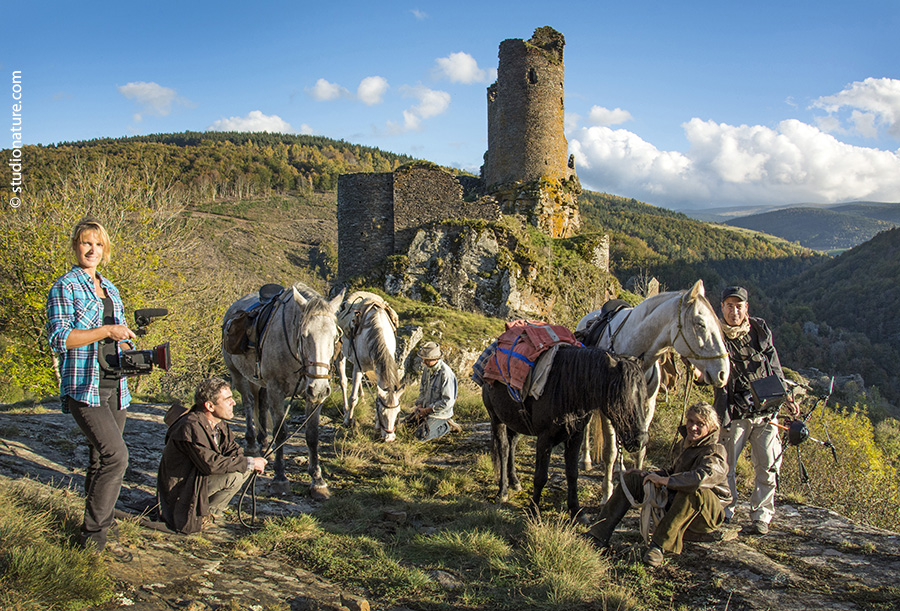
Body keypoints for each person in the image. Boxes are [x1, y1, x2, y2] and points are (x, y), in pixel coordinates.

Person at [46, 217, 137, 552]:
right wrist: (107, 332)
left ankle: (97, 531)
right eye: (86, 243)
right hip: (84, 384)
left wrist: (126, 343)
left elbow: (118, 331)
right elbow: (61, 338)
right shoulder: (64, 286)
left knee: (101, 460)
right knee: (117, 456)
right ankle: (93, 540)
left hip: (115, 383)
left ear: (106, 249)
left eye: (98, 245)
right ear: (76, 245)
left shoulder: (110, 288)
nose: (92, 250)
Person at [585, 402, 732, 567]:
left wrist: (665, 481)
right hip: (679, 502)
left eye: (700, 424)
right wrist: (649, 475)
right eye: (690, 421)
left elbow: (702, 478)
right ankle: (598, 535)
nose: (693, 427)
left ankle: (658, 546)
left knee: (692, 489)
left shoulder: (715, 451)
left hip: (705, 514)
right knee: (633, 480)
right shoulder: (684, 444)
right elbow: (674, 472)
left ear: (711, 428)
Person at [715, 285, 799, 535]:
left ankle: (761, 515)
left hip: (766, 412)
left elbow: (775, 366)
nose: (734, 311)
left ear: (746, 308)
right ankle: (725, 510)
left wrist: (787, 397)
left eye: (738, 306)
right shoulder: (716, 335)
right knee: (726, 465)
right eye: (729, 306)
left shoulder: (759, 330)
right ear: (722, 308)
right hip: (733, 411)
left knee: (769, 464)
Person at [157, 377, 266, 534]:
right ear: (209, 406)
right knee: (236, 473)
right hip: (181, 492)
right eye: (228, 399)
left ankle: (209, 514)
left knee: (243, 468)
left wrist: (250, 462)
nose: (234, 403)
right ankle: (203, 516)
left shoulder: (219, 425)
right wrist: (249, 462)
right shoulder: (190, 426)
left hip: (197, 482)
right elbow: (210, 464)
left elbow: (234, 452)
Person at [409, 342, 459, 441]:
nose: (424, 362)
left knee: (421, 435)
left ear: (435, 359)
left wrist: (427, 410)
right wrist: (419, 406)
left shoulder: (446, 375)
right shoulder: (427, 369)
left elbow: (447, 402)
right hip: (425, 409)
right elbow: (422, 390)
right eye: (424, 359)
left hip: (440, 414)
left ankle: (446, 427)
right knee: (408, 426)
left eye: (427, 360)